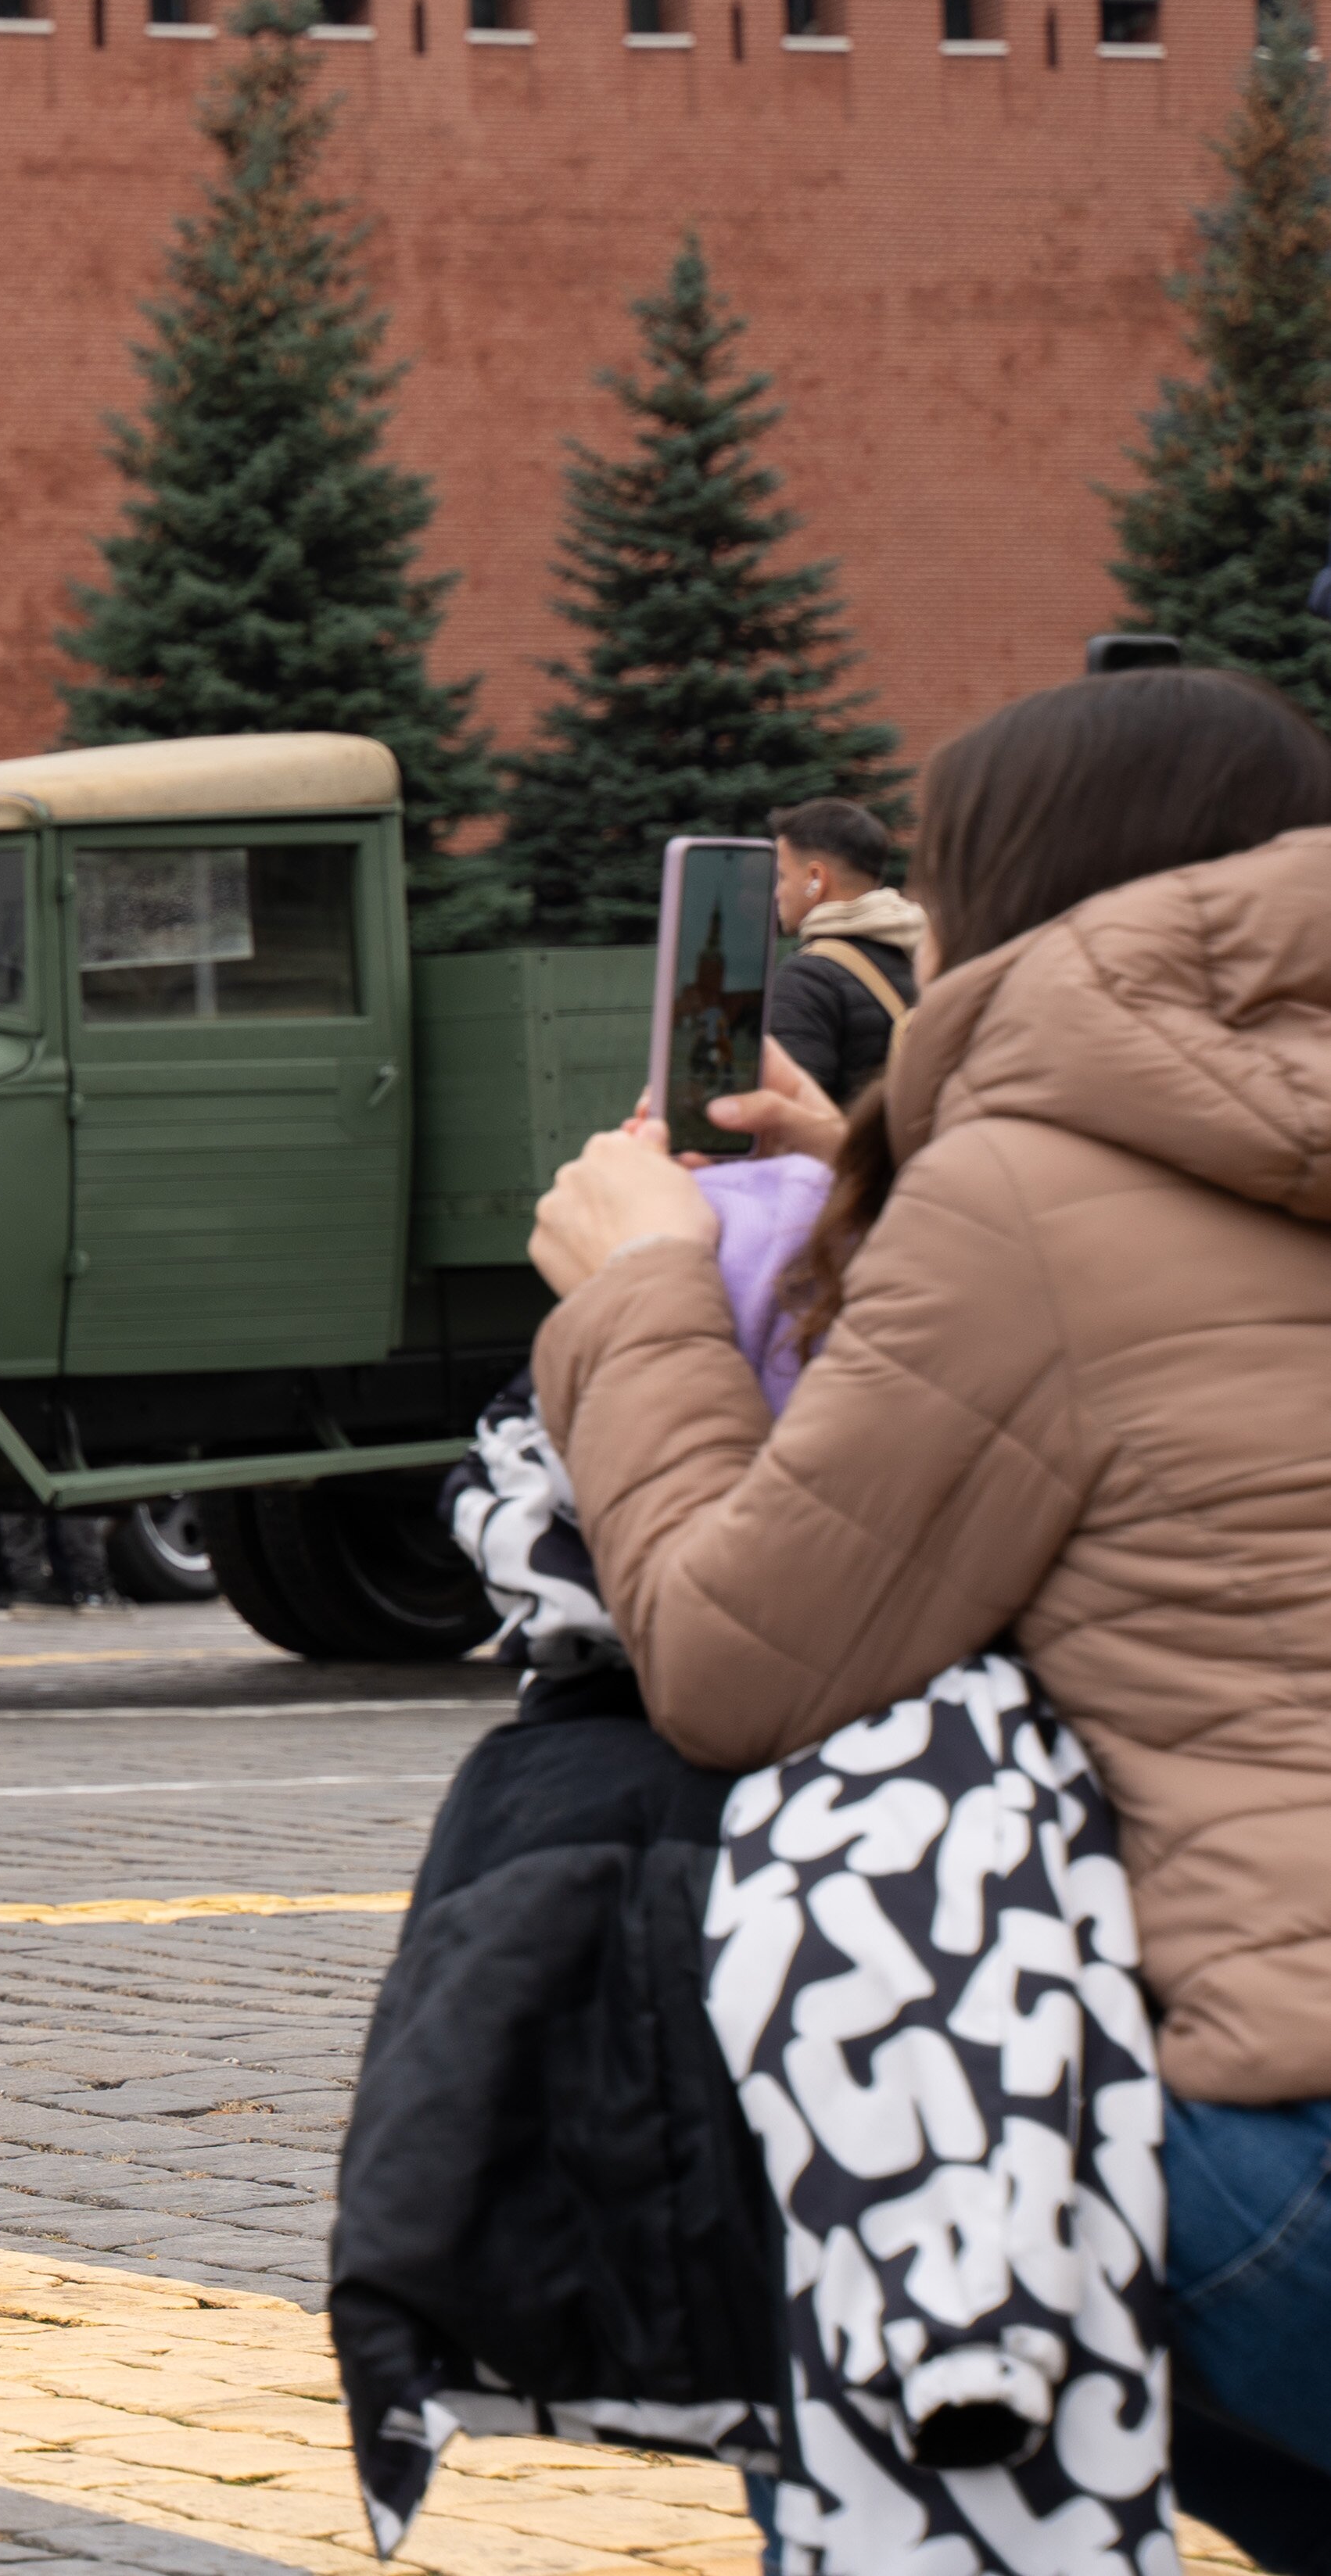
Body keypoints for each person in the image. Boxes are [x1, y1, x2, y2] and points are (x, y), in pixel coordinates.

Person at [530, 667, 1331, 2531]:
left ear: (1006, 894)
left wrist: (638, 1293)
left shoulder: (1017, 1206)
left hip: (1289, 2157)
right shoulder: (1055, 1185)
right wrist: (866, 1168)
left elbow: (732, 1658)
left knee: (866, 2141)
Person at [759, 797, 921, 1107]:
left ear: (815, 879)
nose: (777, 893)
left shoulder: (807, 978)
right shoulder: (927, 958)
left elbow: (794, 1114)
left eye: (782, 876)